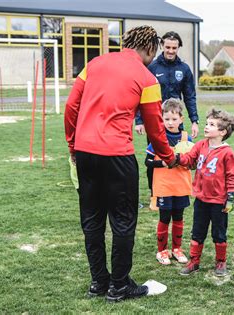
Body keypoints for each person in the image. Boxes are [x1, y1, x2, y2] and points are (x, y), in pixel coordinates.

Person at [64, 25, 176, 302]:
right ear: (150, 48)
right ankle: (119, 286)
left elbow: (71, 108)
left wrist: (72, 145)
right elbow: (155, 128)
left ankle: (99, 282)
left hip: (86, 153)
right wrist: (169, 156)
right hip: (117, 156)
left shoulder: (94, 63)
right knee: (123, 222)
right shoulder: (148, 78)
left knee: (92, 220)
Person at [135, 31, 199, 208]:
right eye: (168, 47)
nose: (171, 51)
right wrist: (139, 120)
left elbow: (190, 96)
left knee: (180, 156)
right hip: (155, 122)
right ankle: (154, 193)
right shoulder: (152, 67)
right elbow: (141, 93)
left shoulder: (184, 69)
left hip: (176, 121)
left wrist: (194, 120)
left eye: (174, 48)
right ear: (162, 46)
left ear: (178, 48)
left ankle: (177, 191)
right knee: (154, 157)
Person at [176, 108, 234, 277]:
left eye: (212, 124)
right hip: (201, 199)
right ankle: (194, 261)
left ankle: (220, 262)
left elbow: (232, 176)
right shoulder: (201, 145)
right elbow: (189, 160)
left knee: (219, 233)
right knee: (197, 231)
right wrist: (176, 159)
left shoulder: (227, 152)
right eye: (207, 123)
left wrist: (230, 199)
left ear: (223, 131)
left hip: (219, 201)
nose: (206, 127)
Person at [144, 98, 192, 265]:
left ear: (181, 119)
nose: (170, 122)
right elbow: (147, 162)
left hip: (181, 186)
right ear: (161, 119)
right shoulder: (158, 138)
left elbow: (192, 162)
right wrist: (162, 163)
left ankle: (177, 249)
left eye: (174, 119)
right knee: (165, 218)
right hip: (163, 186)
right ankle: (162, 251)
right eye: (166, 119)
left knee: (178, 217)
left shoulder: (187, 138)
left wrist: (185, 161)